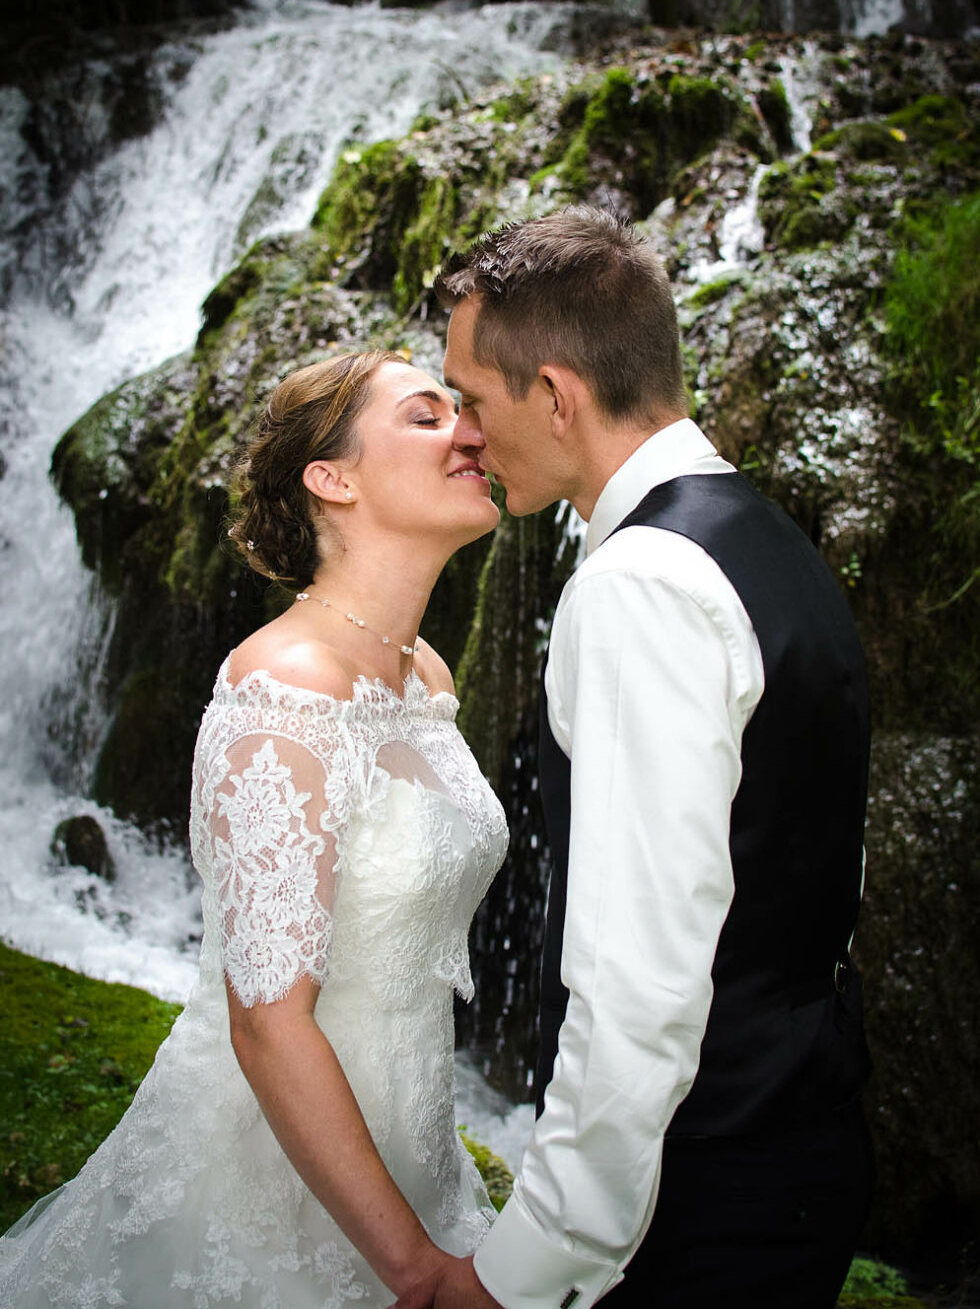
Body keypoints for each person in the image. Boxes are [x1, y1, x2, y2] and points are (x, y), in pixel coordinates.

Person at [403, 206, 873, 1309]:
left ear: (556, 396)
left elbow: (635, 988)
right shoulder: (761, 535)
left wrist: (526, 1268)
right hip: (800, 1130)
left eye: (471, 398)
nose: (462, 432)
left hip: (702, 1198)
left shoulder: (638, 587)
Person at [0, 349, 508, 1308]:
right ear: (333, 478)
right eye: (426, 415)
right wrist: (416, 1271)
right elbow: (267, 1019)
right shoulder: (283, 692)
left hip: (413, 1150)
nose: (470, 431)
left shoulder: (425, 674)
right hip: (263, 1190)